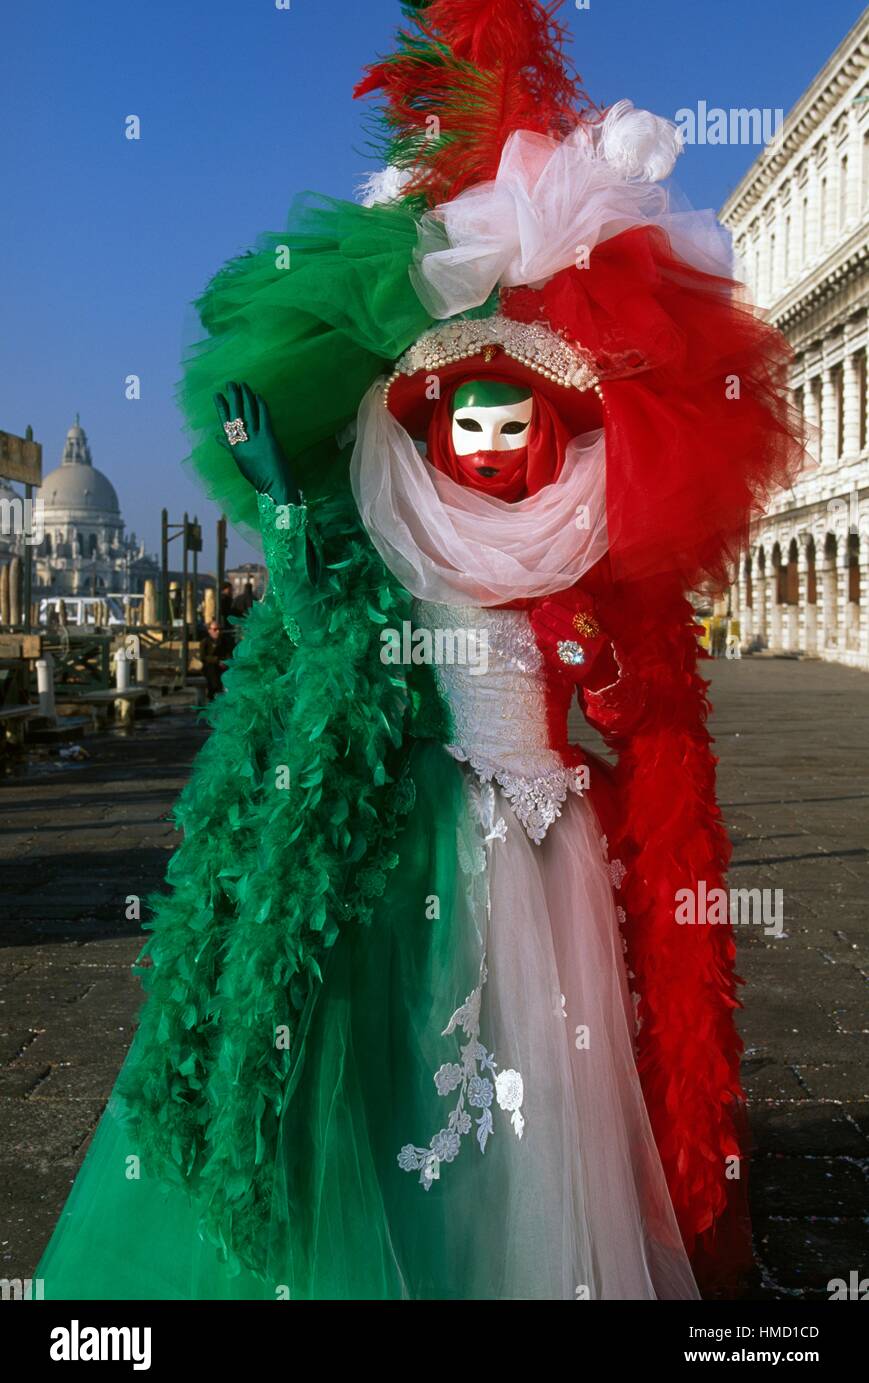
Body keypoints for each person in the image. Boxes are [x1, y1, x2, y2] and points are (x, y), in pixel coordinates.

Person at [36, 0, 804, 1301]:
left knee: (552, 1072)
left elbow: (624, 674)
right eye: (474, 424)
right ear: (433, 429)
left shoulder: (569, 546)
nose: (496, 452)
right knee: (399, 1045)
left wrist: (619, 679)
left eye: (519, 428)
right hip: (419, 825)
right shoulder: (400, 535)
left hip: (554, 837)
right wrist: (286, 508)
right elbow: (328, 626)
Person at [199, 618, 232, 700]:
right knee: (210, 668)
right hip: (211, 667)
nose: (218, 631)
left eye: (219, 629)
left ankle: (223, 694)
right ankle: (214, 692)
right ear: (209, 630)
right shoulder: (205, 642)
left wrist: (225, 662)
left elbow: (229, 653)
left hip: (222, 667)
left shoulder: (224, 641)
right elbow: (203, 656)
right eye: (215, 629)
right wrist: (217, 660)